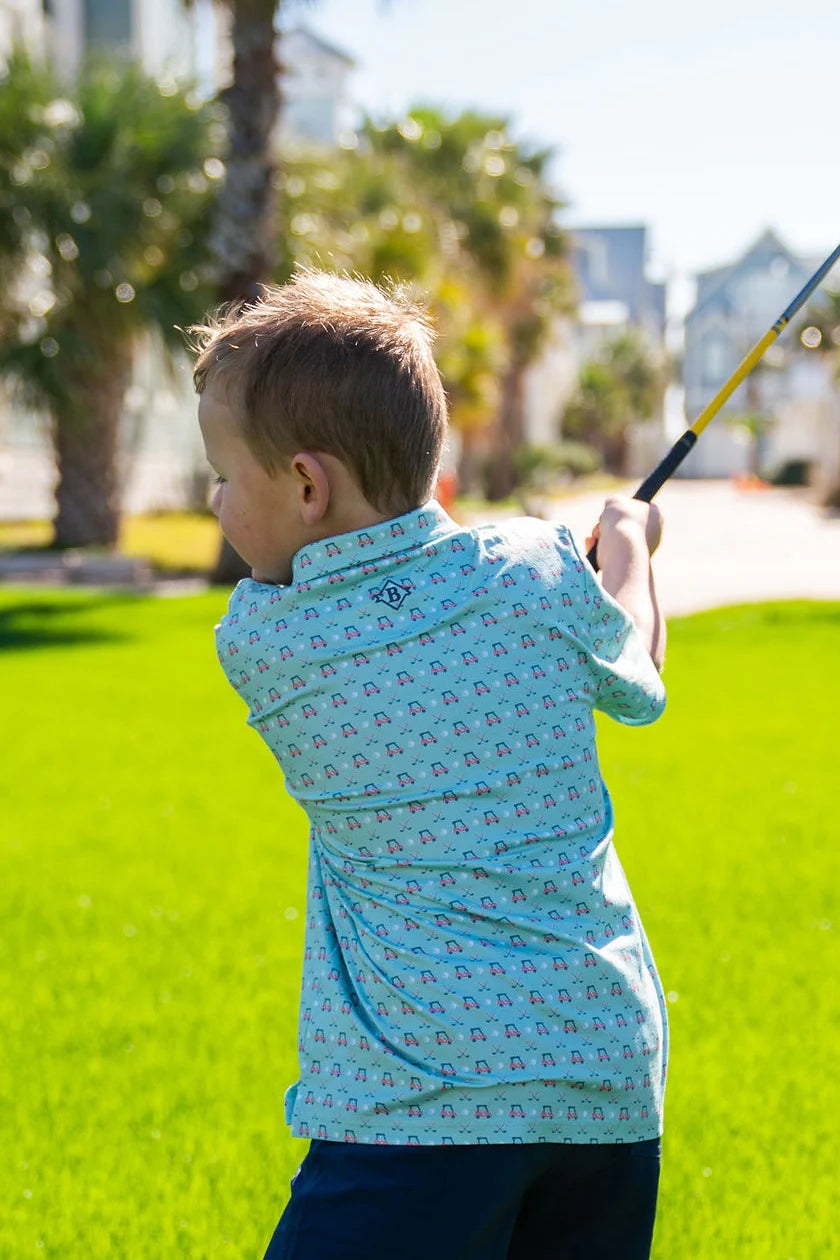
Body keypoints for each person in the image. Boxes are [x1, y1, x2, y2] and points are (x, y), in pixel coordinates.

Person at [192, 272, 669, 1260]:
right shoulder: (537, 569)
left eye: (225, 476)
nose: (216, 500)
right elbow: (637, 676)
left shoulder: (266, 639)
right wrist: (625, 543)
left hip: (419, 1105)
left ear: (308, 485)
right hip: (605, 1076)